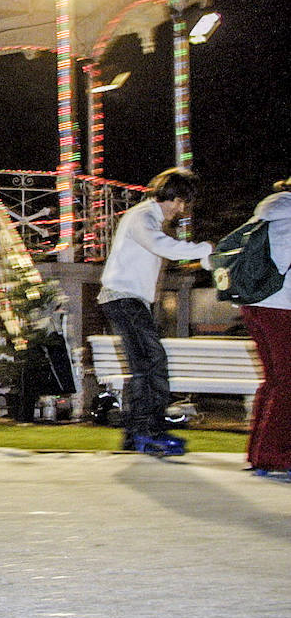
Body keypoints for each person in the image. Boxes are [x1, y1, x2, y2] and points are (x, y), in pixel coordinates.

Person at [97, 168, 212, 457]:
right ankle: (149, 430)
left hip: (126, 299)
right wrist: (204, 249)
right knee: (153, 361)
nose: (181, 209)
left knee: (144, 367)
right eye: (181, 201)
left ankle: (135, 433)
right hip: (123, 297)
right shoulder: (142, 217)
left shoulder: (146, 218)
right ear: (170, 196)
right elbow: (163, 247)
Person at [241, 176, 291, 478]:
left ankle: (259, 452)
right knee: (287, 383)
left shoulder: (266, 213)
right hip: (281, 306)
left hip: (255, 304)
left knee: (274, 380)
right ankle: (274, 455)